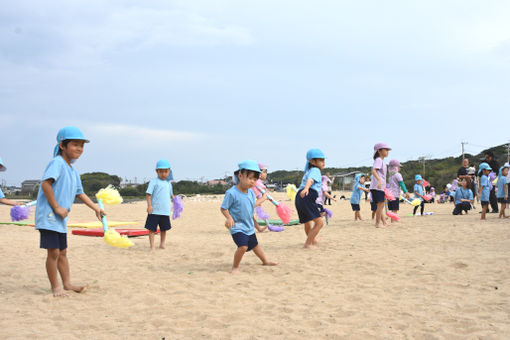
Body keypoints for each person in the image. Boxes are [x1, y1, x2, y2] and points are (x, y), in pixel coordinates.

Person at [35, 127, 104, 297]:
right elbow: (46, 184)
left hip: (60, 219)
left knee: (63, 252)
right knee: (54, 252)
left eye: (81, 145)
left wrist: (95, 207)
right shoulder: (57, 163)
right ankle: (55, 287)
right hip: (49, 216)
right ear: (62, 145)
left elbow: (79, 193)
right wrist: (57, 207)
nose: (79, 149)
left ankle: (67, 284)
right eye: (75, 144)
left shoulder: (73, 171)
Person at [220, 160, 278, 273]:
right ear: (240, 176)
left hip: (249, 225)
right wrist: (229, 217)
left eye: (255, 180)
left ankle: (265, 261)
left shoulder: (251, 192)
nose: (252, 182)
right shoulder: (231, 193)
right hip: (237, 226)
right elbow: (223, 208)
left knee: (255, 246)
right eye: (250, 178)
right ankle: (235, 267)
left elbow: (251, 205)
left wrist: (263, 199)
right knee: (243, 246)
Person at [295, 148, 326, 249]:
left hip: (299, 197)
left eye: (324, 160)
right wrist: (307, 188)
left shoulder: (309, 170)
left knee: (307, 221)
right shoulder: (315, 170)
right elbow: (311, 180)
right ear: (312, 161)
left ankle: (312, 240)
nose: (323, 163)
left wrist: (305, 189)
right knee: (319, 222)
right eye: (321, 160)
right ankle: (308, 244)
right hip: (307, 195)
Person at [145, 159, 175, 251]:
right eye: (161, 171)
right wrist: (149, 206)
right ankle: (152, 246)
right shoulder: (154, 182)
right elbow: (148, 194)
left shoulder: (168, 184)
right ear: (157, 171)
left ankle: (162, 244)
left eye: (166, 171)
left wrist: (176, 202)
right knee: (152, 229)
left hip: (165, 211)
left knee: (164, 229)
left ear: (169, 171)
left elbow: (171, 195)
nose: (164, 174)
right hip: (154, 210)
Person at [370, 143, 390, 228]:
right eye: (385, 150)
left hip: (379, 187)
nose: (387, 151)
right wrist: (378, 180)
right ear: (379, 151)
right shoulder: (378, 160)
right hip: (377, 186)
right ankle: (377, 223)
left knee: (380, 206)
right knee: (381, 205)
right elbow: (373, 171)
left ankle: (384, 222)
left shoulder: (381, 161)